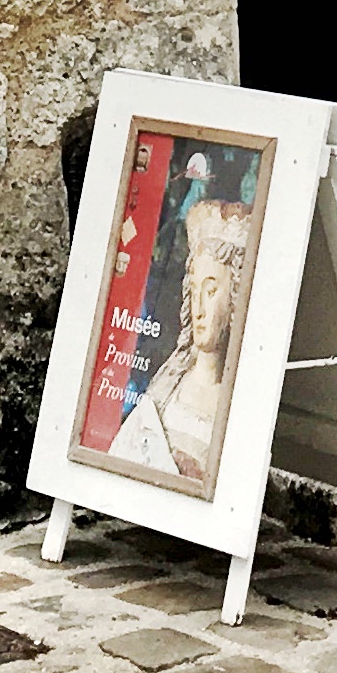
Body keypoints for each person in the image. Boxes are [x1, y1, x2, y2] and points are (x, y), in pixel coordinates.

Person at [111, 188, 254, 487]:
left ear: (235, 300)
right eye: (195, 290)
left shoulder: (240, 399)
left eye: (211, 292)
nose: (199, 308)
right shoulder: (169, 383)